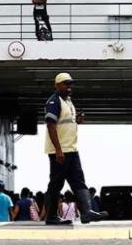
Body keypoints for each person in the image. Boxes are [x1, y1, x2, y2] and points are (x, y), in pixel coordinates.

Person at [43, 72, 109, 225]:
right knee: (56, 184)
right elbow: (51, 126)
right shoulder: (54, 102)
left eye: (71, 83)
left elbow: (65, 123)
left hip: (72, 150)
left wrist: (77, 120)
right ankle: (51, 216)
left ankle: (87, 212)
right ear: (57, 85)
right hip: (60, 151)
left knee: (79, 181)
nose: (69, 86)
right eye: (66, 83)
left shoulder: (69, 102)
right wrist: (58, 150)